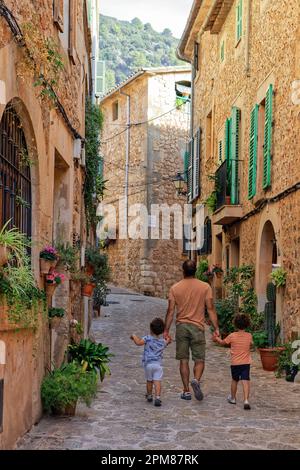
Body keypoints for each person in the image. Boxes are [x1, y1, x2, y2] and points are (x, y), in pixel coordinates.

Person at [164, 260, 220, 402]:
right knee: (199, 359)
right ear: (195, 271)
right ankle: (196, 379)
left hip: (181, 327)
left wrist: (166, 331)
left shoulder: (175, 288)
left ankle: (186, 391)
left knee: (183, 360)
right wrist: (216, 328)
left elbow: (170, 311)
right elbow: (211, 309)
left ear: (183, 271)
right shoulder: (205, 287)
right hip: (198, 327)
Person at [213, 313, 253, 410]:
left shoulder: (232, 336)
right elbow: (251, 344)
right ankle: (246, 400)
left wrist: (216, 338)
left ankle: (233, 398)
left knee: (235, 380)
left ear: (235, 324)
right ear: (247, 324)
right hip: (246, 363)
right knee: (245, 380)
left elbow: (223, 343)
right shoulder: (249, 335)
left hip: (235, 363)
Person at [130, 317, 171, 407]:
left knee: (149, 381)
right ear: (162, 331)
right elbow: (168, 341)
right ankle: (158, 397)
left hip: (148, 365)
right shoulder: (162, 342)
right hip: (158, 366)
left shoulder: (147, 338)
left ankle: (149, 395)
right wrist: (168, 339)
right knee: (157, 381)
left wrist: (134, 336)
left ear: (151, 329)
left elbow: (138, 342)